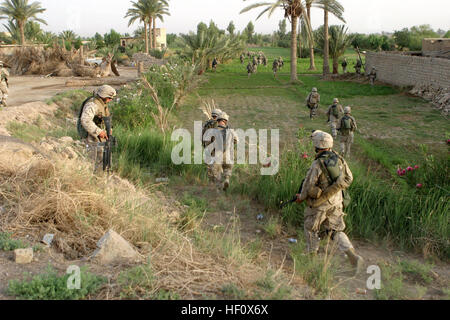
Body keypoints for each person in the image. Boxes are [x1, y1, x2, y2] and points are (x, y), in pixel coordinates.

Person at [295, 130, 363, 273]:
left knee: (310, 227)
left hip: (320, 204)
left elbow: (308, 185)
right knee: (335, 230)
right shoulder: (339, 159)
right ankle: (353, 256)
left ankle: (311, 259)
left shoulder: (318, 163)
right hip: (337, 201)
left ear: (317, 145)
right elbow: (349, 177)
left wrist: (300, 197)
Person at [79, 85, 117, 174]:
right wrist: (99, 132)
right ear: (103, 96)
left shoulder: (102, 104)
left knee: (103, 160)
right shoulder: (92, 104)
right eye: (109, 98)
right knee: (92, 161)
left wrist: (108, 130)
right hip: (91, 137)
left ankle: (102, 176)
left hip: (98, 136)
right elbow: (85, 120)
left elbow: (104, 118)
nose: (110, 100)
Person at [210, 112, 239, 191]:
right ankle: (227, 179)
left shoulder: (213, 131)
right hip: (227, 155)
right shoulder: (231, 131)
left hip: (217, 156)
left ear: (218, 120)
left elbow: (210, 143)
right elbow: (236, 140)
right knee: (227, 169)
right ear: (226, 121)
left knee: (216, 173)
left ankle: (219, 189)